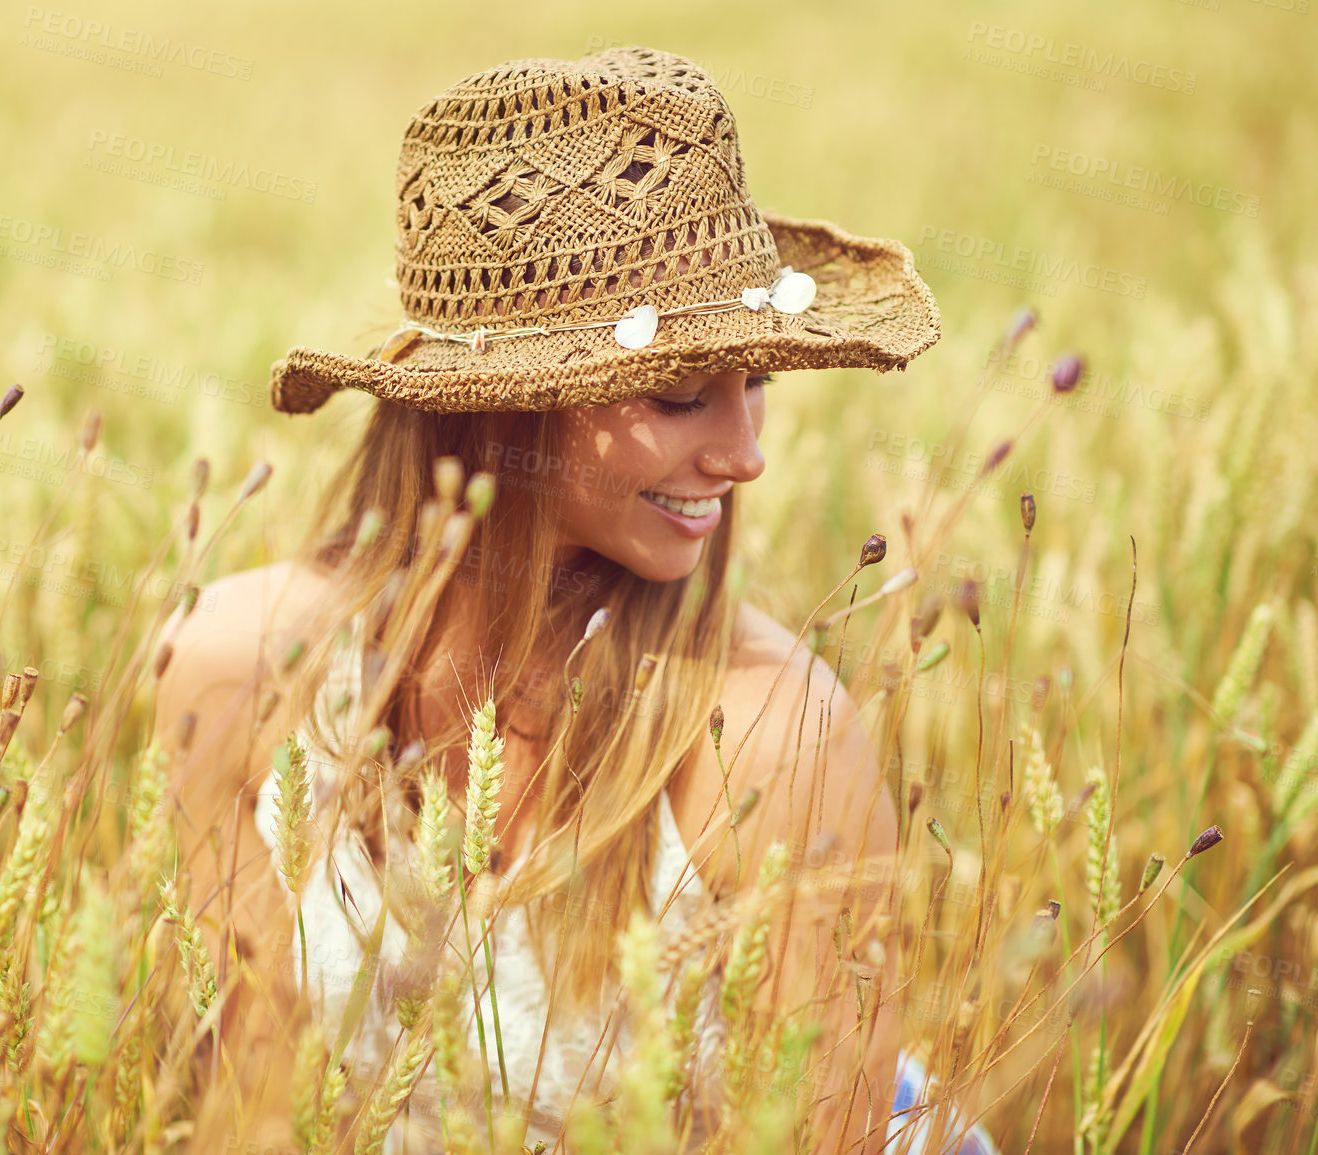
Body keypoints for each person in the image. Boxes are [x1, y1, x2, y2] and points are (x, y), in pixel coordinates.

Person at [153, 45, 993, 1154]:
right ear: (499, 410)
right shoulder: (232, 672)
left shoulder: (773, 739)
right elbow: (248, 1115)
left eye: (758, 389)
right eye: (684, 394)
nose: (746, 457)